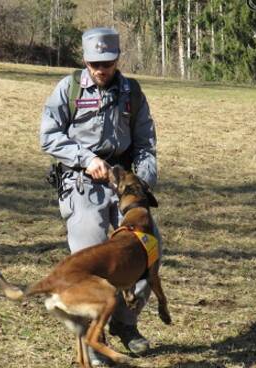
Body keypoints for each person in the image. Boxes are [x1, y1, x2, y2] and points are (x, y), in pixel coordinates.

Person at [39, 27, 160, 365]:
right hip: (82, 183)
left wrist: (141, 184)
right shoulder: (69, 89)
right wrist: (85, 158)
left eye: (106, 63)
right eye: (94, 63)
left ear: (117, 60)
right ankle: (95, 340)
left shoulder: (131, 92)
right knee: (90, 258)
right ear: (85, 60)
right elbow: (48, 137)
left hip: (123, 185)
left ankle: (126, 323)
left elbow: (146, 144)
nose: (101, 69)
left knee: (149, 254)